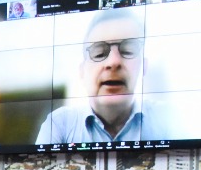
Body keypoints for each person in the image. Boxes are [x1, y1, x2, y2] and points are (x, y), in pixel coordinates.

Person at [35, 8, 168, 145]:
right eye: (99, 53)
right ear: (82, 71)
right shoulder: (59, 124)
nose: (113, 62)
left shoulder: (168, 118)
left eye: (128, 51)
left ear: (144, 67)